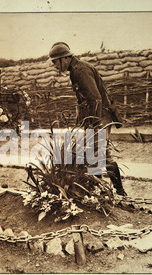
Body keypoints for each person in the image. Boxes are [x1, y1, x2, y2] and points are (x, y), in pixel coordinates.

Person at [49, 42, 127, 196]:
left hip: (100, 117)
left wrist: (94, 123)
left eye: (55, 62)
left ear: (64, 59)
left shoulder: (80, 70)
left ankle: (120, 192)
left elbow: (96, 99)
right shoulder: (75, 69)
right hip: (97, 117)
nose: (55, 66)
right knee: (94, 154)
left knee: (103, 154)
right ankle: (97, 190)